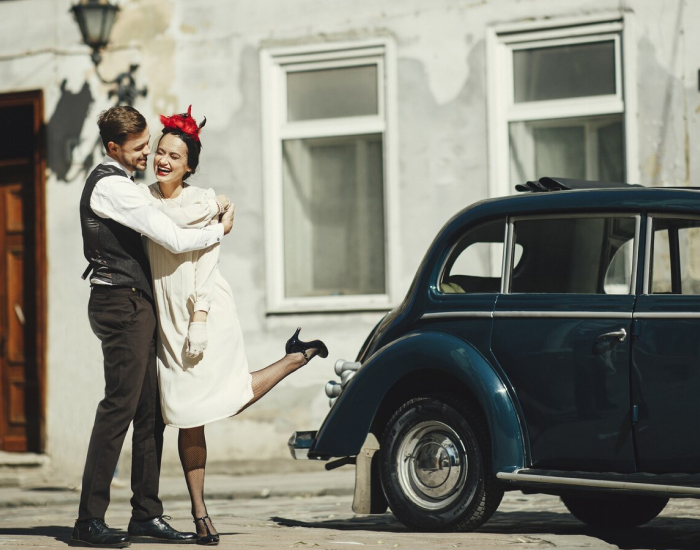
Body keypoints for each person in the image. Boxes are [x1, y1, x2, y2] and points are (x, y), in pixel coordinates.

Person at [145, 106, 328, 545]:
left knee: (214, 404)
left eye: (175, 155)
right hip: (166, 315)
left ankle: (291, 359)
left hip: (201, 308)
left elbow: (207, 261)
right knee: (186, 412)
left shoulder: (203, 201)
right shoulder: (143, 199)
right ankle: (199, 512)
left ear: (189, 165)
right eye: (160, 151)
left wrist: (201, 317)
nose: (164, 159)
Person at [72, 106, 236, 548]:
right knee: (118, 410)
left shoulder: (127, 186)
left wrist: (212, 201)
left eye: (152, 146)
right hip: (120, 304)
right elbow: (175, 237)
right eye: (142, 147)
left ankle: (146, 514)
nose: (149, 154)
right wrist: (219, 227)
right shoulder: (112, 188)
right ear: (113, 149)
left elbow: (174, 211)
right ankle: (89, 520)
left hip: (134, 304)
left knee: (149, 414)